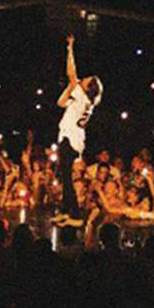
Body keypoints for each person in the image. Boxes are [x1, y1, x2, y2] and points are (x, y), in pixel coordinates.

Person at [51, 34, 102, 229]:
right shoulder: (85, 101)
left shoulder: (82, 98)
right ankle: (66, 211)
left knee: (66, 178)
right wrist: (71, 86)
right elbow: (60, 102)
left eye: (85, 80)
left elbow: (71, 73)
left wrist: (70, 48)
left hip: (70, 140)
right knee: (64, 177)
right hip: (73, 140)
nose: (82, 80)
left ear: (88, 87)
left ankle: (75, 214)